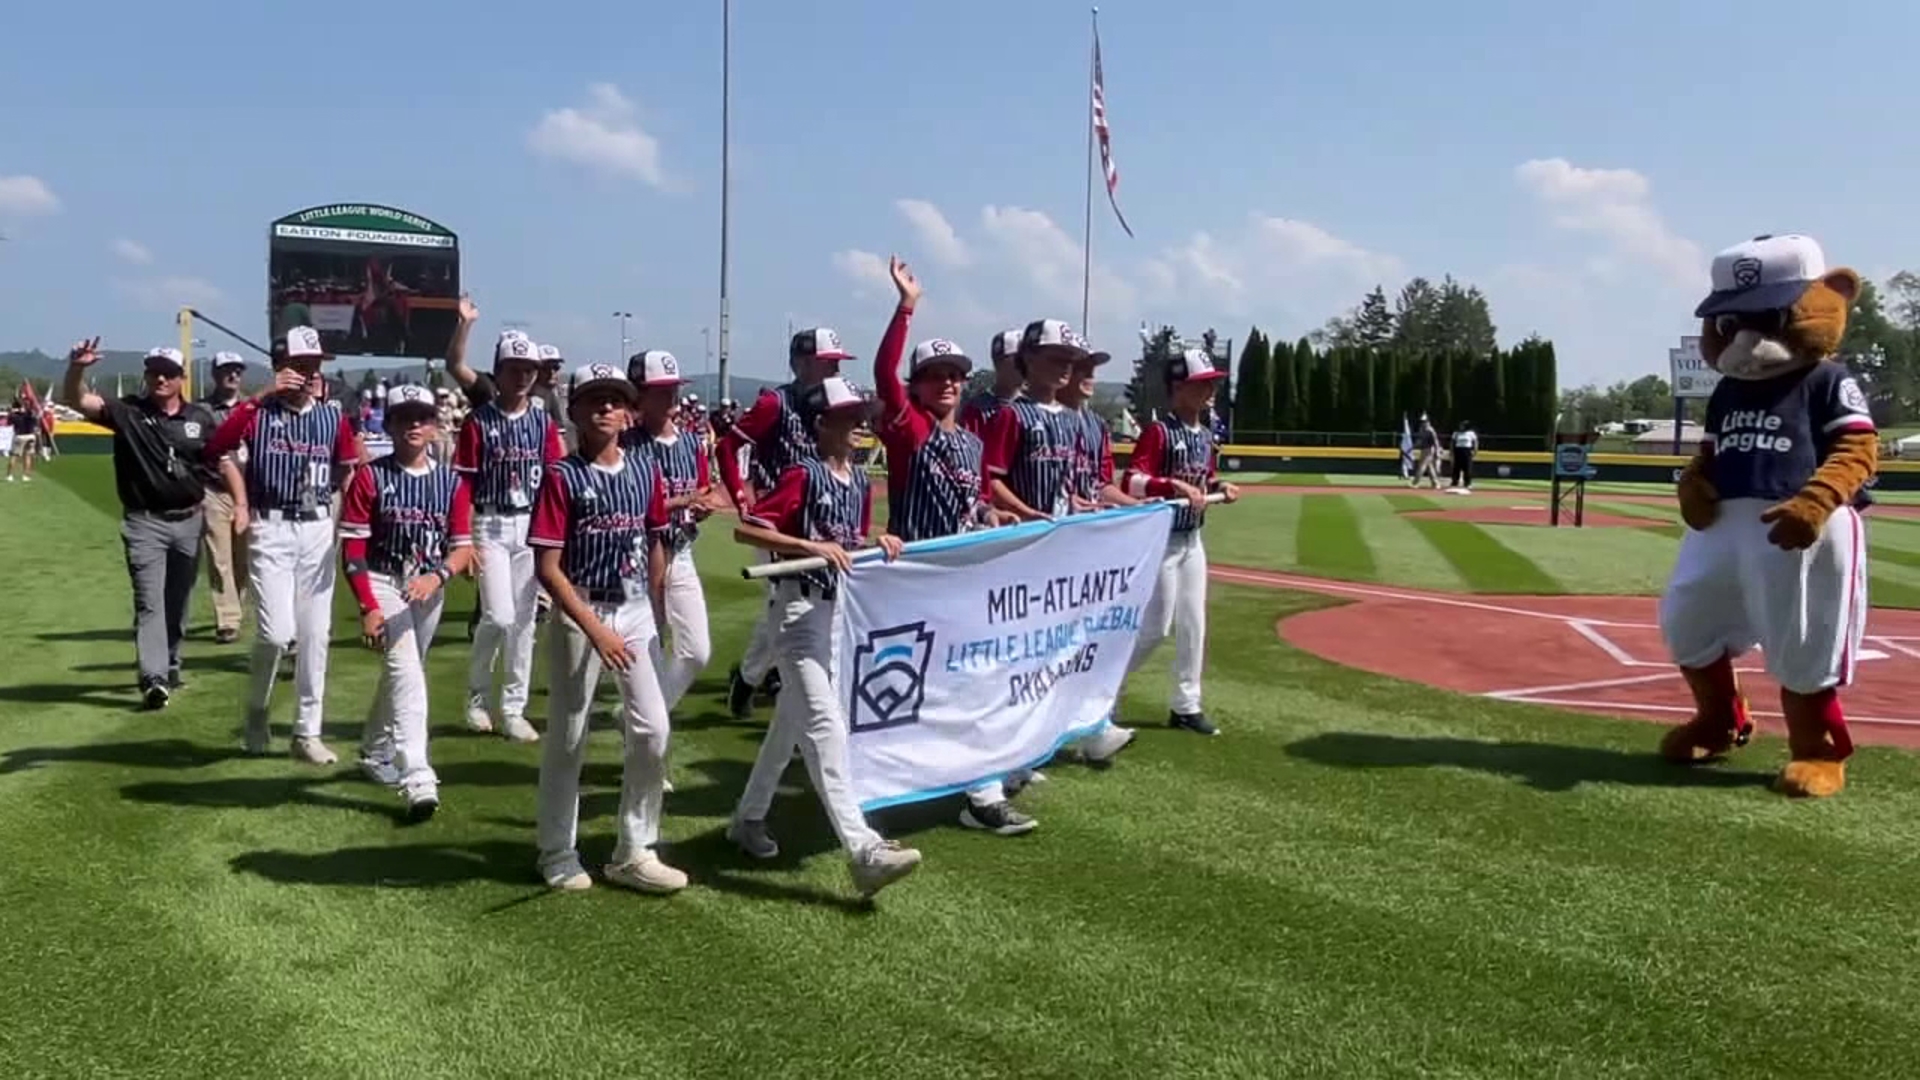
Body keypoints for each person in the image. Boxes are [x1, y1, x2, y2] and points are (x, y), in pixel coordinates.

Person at [728, 375, 923, 898]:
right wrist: (802, 543)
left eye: (863, 417)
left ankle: (747, 818)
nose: (861, 426)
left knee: (791, 725)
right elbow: (746, 529)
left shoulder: (858, 481)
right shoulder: (803, 473)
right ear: (822, 424)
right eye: (849, 417)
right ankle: (863, 849)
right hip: (796, 613)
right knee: (825, 725)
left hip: (836, 614)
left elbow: (848, 543)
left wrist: (876, 542)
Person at [869, 257, 1033, 835]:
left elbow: (976, 500)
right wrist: (906, 307)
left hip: (961, 579)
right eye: (935, 374)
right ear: (917, 385)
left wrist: (993, 513)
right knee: (911, 687)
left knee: (969, 681)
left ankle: (982, 789)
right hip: (913, 579)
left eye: (955, 374)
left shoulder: (969, 440)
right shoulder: (908, 428)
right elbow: (884, 372)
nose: (947, 382)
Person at [528, 362, 684, 894]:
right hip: (581, 612)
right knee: (569, 738)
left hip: (635, 607)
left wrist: (657, 613)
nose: (605, 409)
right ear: (573, 410)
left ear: (629, 411)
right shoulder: (561, 476)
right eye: (594, 400)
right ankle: (557, 851)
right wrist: (597, 631)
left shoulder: (645, 469)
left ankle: (634, 849)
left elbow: (657, 541)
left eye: (615, 400)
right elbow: (548, 567)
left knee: (654, 729)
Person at [981, 319, 1135, 765]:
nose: (1066, 368)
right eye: (1056, 359)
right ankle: (1005, 754)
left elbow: (1071, 486)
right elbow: (990, 481)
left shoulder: (1071, 421)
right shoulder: (1013, 414)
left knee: (1064, 647)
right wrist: (1027, 512)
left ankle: (1072, 732)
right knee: (1020, 656)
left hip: (1063, 549)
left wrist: (1082, 505)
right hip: (1023, 548)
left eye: (1069, 360)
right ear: (1028, 361)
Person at [204, 326, 358, 761]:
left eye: (313, 366)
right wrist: (257, 396)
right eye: (298, 366)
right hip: (271, 526)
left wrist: (342, 521)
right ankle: (257, 710)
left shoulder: (332, 416)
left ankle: (307, 732)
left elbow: (348, 469)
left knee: (316, 636)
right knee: (275, 635)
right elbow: (217, 447)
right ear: (280, 368)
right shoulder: (258, 411)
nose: (308, 374)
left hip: (316, 527)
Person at [58, 339, 219, 708]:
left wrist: (240, 502)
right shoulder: (127, 411)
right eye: (153, 372)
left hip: (189, 521)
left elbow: (215, 463)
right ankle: (154, 678)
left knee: (177, 605)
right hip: (145, 523)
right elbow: (77, 400)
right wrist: (77, 369)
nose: (159, 378)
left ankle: (171, 662)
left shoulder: (199, 418)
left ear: (181, 378)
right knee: (150, 603)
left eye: (167, 373)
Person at [339, 384, 474, 821]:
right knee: (409, 673)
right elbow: (354, 551)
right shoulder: (370, 477)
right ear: (390, 424)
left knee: (402, 670)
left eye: (422, 417)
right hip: (383, 580)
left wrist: (439, 576)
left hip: (429, 586)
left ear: (435, 426)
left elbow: (461, 548)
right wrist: (368, 605)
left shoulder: (451, 483)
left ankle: (374, 750)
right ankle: (418, 775)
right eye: (404, 417)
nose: (414, 425)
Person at [713, 326, 852, 719]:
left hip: (821, 517)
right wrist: (741, 498)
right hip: (779, 518)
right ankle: (764, 675)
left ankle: (755, 674)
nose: (833, 371)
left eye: (836, 364)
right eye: (826, 363)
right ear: (799, 364)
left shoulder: (836, 405)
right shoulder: (778, 403)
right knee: (787, 599)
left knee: (796, 603)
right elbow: (729, 445)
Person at [447, 310, 562, 743]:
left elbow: (554, 480)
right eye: (513, 369)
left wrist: (556, 537)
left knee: (525, 623)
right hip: (491, 523)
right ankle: (477, 696)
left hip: (531, 528)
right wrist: (463, 537)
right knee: (497, 616)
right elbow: (464, 483)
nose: (521, 377)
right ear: (497, 371)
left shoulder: (543, 421)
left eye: (528, 369)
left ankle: (514, 708)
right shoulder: (479, 421)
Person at [1120, 348, 1241, 737]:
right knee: (1156, 628)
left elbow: (1204, 478)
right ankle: (1103, 690)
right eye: (1201, 384)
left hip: (1192, 538)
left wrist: (1222, 487)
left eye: (1212, 384)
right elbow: (1130, 482)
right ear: (1178, 388)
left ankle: (1187, 704)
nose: (1211, 390)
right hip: (1162, 540)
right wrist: (1170, 484)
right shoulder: (1159, 432)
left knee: (1194, 624)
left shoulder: (1204, 435)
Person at [622, 349, 715, 713]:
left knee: (697, 652)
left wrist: (699, 507)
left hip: (681, 551)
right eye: (659, 389)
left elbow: (702, 493)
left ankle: (646, 717)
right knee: (648, 647)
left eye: (672, 388)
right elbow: (630, 505)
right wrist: (681, 501)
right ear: (638, 395)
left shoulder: (692, 444)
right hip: (639, 558)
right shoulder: (627, 446)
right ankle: (645, 727)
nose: (669, 396)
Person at [201, 353, 251, 643]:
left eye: (236, 370)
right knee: (219, 557)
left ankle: (236, 606)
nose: (232, 376)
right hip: (215, 490)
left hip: (250, 490)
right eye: (226, 371)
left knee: (242, 559)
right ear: (214, 374)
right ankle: (227, 619)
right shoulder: (203, 410)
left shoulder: (253, 408)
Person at [1059, 351, 1136, 513]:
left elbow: (1103, 485)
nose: (1090, 376)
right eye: (1083, 369)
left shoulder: (1097, 424)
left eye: (1092, 370)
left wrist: (1139, 506)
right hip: (1049, 525)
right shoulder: (1042, 417)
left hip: (1088, 525)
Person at [959, 329, 1025, 436]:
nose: (1024, 364)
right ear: (997, 363)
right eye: (1018, 360)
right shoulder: (977, 409)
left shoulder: (1035, 405)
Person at [6, 393, 41, 482]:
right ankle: (25, 476)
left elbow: (9, 423)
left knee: (14, 456)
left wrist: (11, 412)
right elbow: (35, 417)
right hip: (30, 436)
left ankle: (9, 475)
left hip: (20, 436)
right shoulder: (31, 414)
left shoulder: (15, 415)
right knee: (27, 456)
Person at [1450, 422, 1479, 491]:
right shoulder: (1456, 433)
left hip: (1467, 451)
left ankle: (1467, 483)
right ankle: (1455, 482)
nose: (1460, 427)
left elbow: (1475, 442)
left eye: (1462, 426)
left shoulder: (1471, 433)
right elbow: (1452, 443)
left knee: (1467, 468)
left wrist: (1475, 450)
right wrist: (1451, 452)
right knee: (1456, 468)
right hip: (1458, 451)